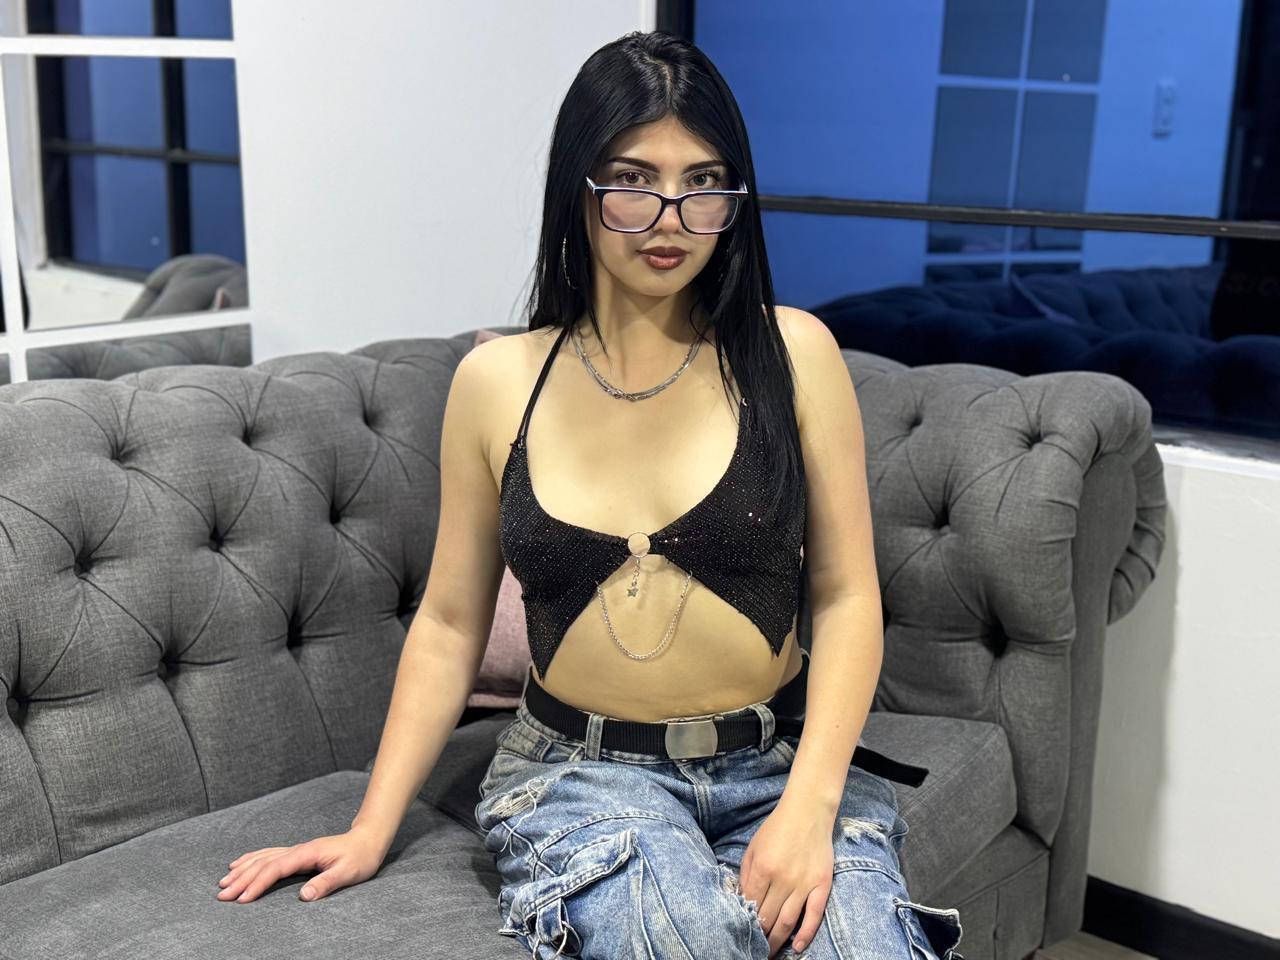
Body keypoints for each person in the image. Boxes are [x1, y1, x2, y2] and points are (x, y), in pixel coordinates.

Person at [214, 29, 965, 960]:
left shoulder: (795, 356)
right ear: (578, 188)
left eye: (703, 183)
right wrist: (370, 828)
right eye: (633, 180)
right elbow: (448, 623)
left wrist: (810, 806)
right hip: (579, 775)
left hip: (775, 760)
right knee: (691, 944)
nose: (669, 217)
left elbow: (847, 596)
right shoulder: (497, 383)